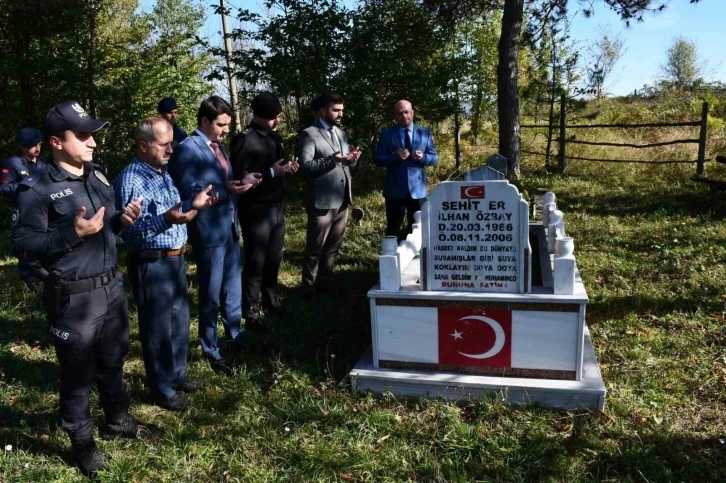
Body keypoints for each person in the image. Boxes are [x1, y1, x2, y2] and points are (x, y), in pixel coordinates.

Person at [11, 101, 147, 474]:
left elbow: (105, 228)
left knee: (114, 358)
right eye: (83, 136)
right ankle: (82, 441)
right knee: (77, 374)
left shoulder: (98, 176)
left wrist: (121, 221)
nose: (93, 143)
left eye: (93, 135)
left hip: (111, 287)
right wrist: (72, 232)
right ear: (56, 141)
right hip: (74, 298)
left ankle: (117, 418)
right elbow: (22, 245)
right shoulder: (35, 189)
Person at [114, 117, 219, 411]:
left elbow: (170, 211)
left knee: (178, 323)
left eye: (172, 142)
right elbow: (129, 234)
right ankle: (161, 389)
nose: (172, 149)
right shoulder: (131, 179)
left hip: (175, 259)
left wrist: (192, 205)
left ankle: (177, 377)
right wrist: (167, 219)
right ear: (143, 146)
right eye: (165, 144)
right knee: (157, 330)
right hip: (151, 263)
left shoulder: (161, 172)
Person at [168, 95, 260, 375]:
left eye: (228, 125)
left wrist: (237, 183)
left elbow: (219, 181)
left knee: (233, 285)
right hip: (208, 232)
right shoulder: (187, 149)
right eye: (221, 124)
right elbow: (186, 193)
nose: (226, 130)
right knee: (210, 291)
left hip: (229, 227)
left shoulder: (217, 147)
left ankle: (234, 333)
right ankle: (210, 346)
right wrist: (224, 191)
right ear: (205, 121)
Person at [230, 92, 299, 332]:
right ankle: (251, 310)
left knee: (274, 258)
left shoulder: (274, 136)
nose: (278, 121)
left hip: (276, 207)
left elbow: (277, 167)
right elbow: (240, 177)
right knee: (255, 261)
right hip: (256, 209)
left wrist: (287, 170)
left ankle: (272, 300)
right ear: (259, 117)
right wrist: (271, 173)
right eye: (273, 118)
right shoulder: (244, 140)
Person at [298, 93, 361, 296]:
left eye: (342, 110)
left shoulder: (341, 134)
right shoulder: (309, 134)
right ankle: (308, 288)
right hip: (322, 200)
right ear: (323, 111)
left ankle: (326, 284)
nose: (340, 114)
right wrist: (332, 160)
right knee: (315, 247)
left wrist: (352, 159)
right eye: (336, 110)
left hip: (342, 197)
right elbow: (305, 167)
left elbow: (345, 162)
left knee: (333, 246)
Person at [374, 100, 438, 240]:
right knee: (393, 227)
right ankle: (390, 258)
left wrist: (422, 158)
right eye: (399, 113)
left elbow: (434, 158)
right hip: (395, 190)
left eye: (406, 112)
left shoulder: (424, 133)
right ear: (395, 116)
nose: (404, 116)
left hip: (418, 190)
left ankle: (416, 258)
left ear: (413, 113)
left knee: (419, 227)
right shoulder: (387, 134)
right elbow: (378, 159)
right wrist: (395, 156)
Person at [1, 127, 48, 292]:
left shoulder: (43, 162)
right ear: (22, 146)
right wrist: (23, 185)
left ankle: (43, 275)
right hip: (24, 210)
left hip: (44, 209)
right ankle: (28, 274)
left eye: (39, 145)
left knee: (45, 242)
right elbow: (3, 189)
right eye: (32, 146)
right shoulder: (12, 163)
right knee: (26, 244)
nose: (37, 149)